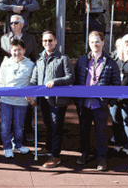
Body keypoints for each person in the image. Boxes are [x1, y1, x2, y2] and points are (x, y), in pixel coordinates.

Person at [74, 31, 121, 172]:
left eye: (97, 41)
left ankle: (102, 158)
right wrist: (77, 100)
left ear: (103, 42)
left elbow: (116, 85)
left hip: (100, 104)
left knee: (101, 132)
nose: (94, 44)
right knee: (84, 130)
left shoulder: (111, 62)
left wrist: (109, 102)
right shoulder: (82, 60)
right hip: (84, 103)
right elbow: (75, 81)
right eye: (91, 42)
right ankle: (85, 153)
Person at [30, 31, 74, 168]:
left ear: (55, 42)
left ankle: (55, 156)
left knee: (56, 127)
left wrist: (55, 81)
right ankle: (49, 147)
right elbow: (34, 80)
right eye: (45, 41)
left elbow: (70, 78)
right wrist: (29, 90)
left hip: (57, 100)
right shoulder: (39, 59)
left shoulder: (63, 58)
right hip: (44, 99)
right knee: (48, 125)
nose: (47, 43)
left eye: (50, 40)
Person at [0, 14, 39, 142]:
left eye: (16, 23)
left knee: (26, 107)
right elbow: (1, 56)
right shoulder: (4, 38)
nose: (13, 25)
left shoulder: (30, 38)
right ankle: (9, 137)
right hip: (10, 73)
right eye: (11, 23)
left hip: (26, 73)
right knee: (8, 111)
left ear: (22, 24)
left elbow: (35, 55)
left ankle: (27, 132)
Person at [0, 39, 35, 158]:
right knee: (5, 126)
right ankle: (7, 147)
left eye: (19, 49)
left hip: (21, 102)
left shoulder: (31, 64)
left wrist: (32, 98)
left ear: (24, 50)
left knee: (19, 126)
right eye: (14, 50)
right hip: (6, 100)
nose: (16, 52)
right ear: (10, 51)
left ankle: (18, 145)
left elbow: (32, 82)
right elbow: (1, 80)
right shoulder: (5, 63)